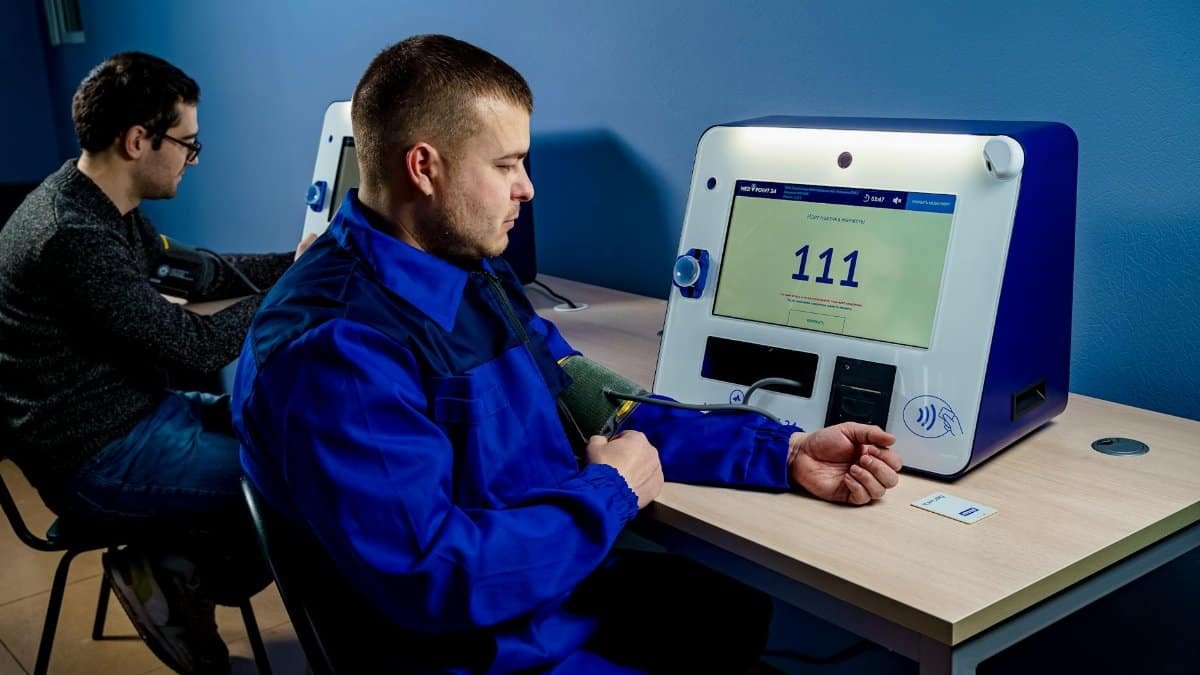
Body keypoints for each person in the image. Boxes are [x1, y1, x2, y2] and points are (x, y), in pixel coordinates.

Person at [233, 34, 903, 674]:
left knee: (731, 610)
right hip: (479, 651)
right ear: (424, 167)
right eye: (506, 165)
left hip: (540, 595)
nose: (527, 187)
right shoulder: (337, 349)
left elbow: (589, 403)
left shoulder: (466, 268)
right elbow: (436, 576)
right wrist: (610, 491)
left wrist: (780, 452)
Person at [0, 52, 314, 674]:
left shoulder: (95, 201)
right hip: (94, 457)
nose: (193, 159)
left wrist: (297, 259)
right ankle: (174, 574)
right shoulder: (71, 233)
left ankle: (169, 564)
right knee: (300, 480)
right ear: (138, 140)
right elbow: (194, 347)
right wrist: (297, 291)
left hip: (137, 415)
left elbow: (192, 273)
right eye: (188, 144)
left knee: (295, 436)